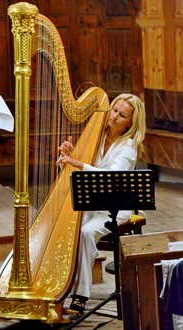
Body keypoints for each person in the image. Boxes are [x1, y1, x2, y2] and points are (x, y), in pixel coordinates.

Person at [57, 93, 146, 313]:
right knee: (65, 227)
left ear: (130, 123)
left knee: (86, 233)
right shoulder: (95, 136)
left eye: (122, 115)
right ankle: (56, 286)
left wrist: (77, 163)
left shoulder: (128, 147)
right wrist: (67, 159)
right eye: (115, 110)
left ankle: (81, 295)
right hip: (90, 202)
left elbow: (111, 177)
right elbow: (76, 174)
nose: (114, 117)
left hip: (115, 208)